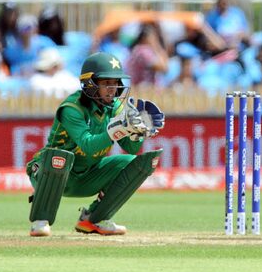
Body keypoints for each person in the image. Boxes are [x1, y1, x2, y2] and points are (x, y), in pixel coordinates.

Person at [25, 52, 166, 237]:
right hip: (49, 173)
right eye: (106, 83)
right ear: (90, 84)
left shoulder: (114, 107)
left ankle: (93, 219)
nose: (112, 89)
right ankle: (40, 221)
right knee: (59, 158)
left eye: (115, 83)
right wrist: (118, 128)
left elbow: (132, 148)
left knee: (135, 162)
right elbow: (87, 145)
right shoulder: (72, 108)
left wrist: (137, 133)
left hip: (86, 175)